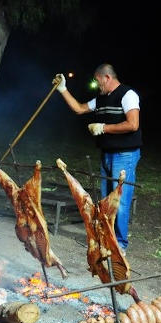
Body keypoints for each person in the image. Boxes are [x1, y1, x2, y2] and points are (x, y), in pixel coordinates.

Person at [53, 64, 141, 252]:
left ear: (107, 77)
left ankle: (120, 245)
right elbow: (79, 109)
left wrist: (103, 128)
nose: (97, 83)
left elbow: (133, 124)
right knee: (106, 200)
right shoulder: (101, 99)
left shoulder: (128, 95)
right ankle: (107, 238)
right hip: (107, 154)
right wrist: (63, 89)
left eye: (97, 80)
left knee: (121, 201)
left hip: (125, 155)